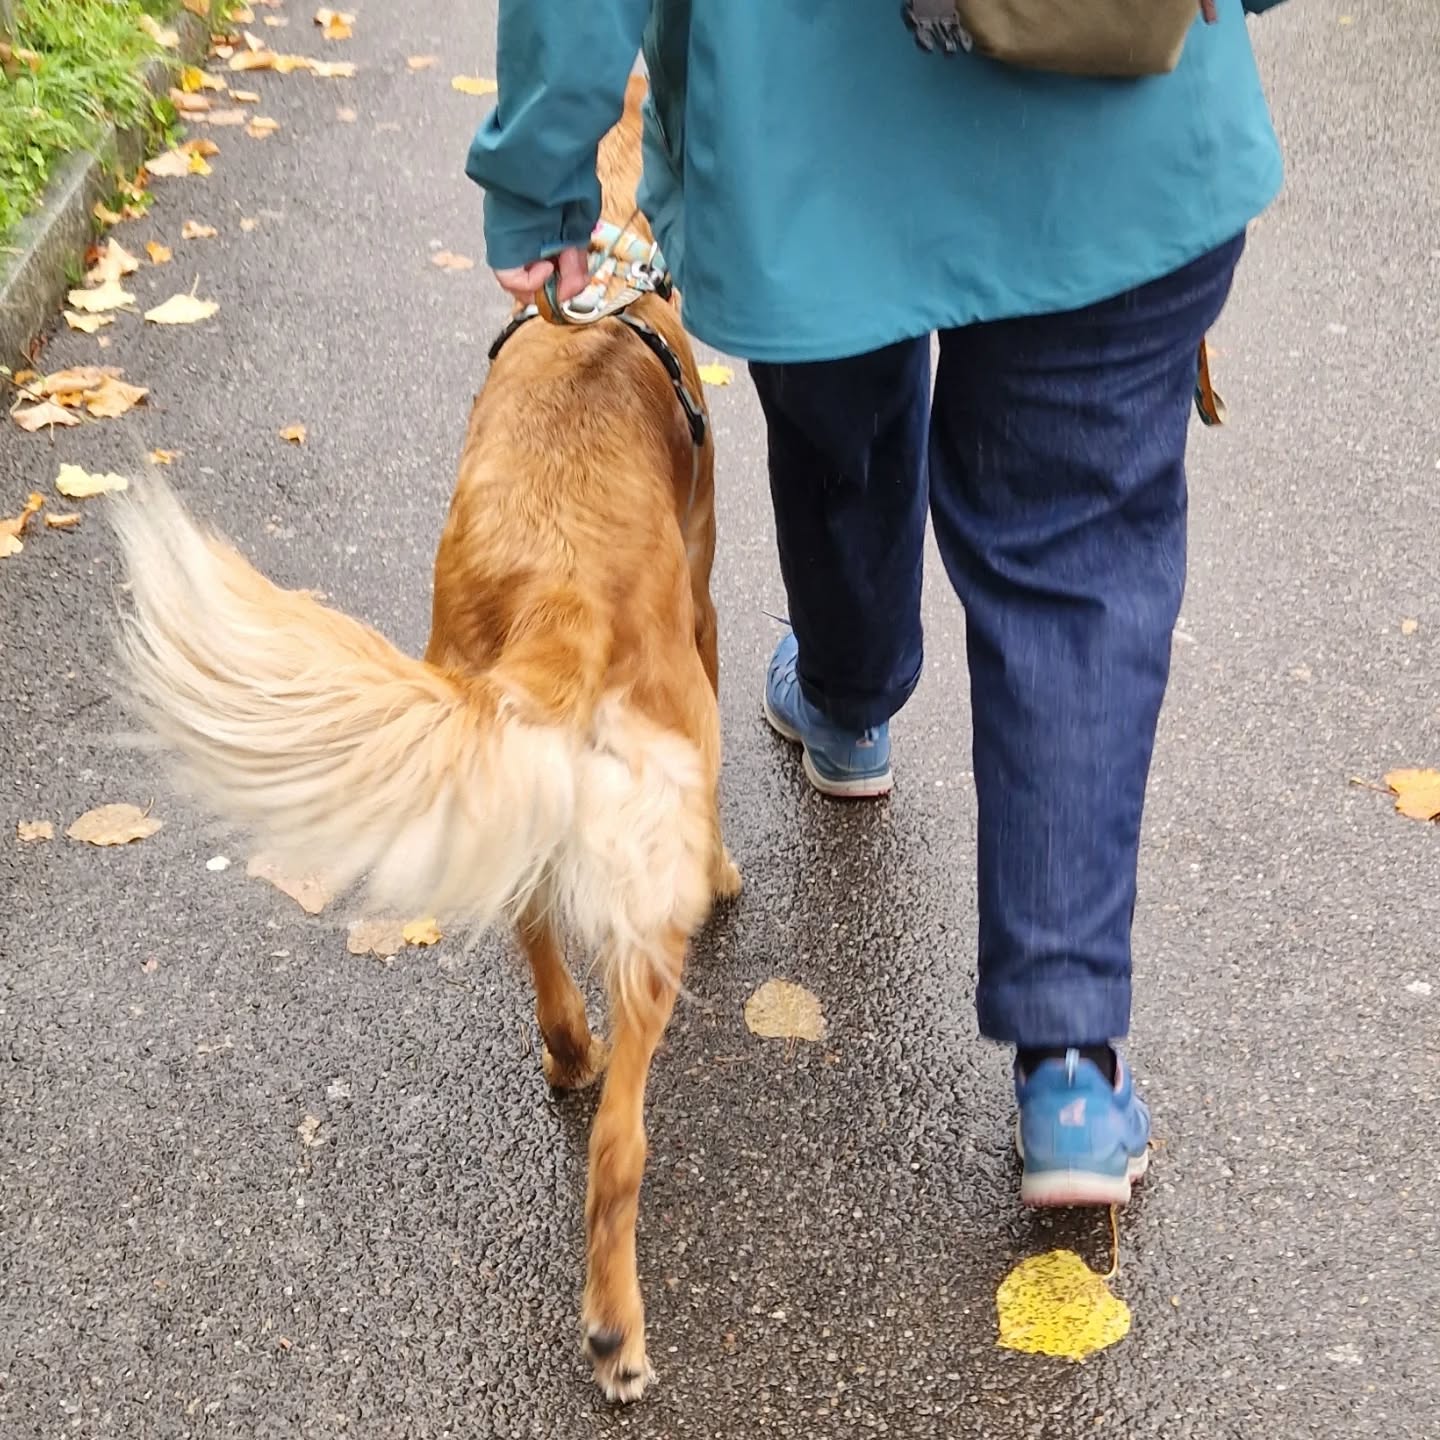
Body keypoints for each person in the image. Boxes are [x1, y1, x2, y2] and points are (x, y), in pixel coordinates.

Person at [465, 0, 1288, 1207]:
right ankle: (1069, 1073)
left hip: (805, 137)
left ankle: (849, 700)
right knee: (1078, 553)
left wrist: (543, 178)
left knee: (840, 394)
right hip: (1118, 114)